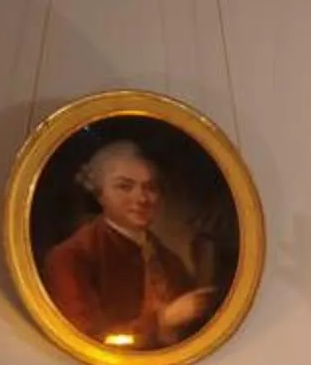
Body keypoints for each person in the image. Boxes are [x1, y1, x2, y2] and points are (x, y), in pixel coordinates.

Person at [40, 136, 219, 349]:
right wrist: (163, 320)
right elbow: (86, 341)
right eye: (124, 187)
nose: (141, 198)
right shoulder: (70, 257)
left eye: (150, 188)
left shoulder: (169, 260)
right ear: (100, 194)